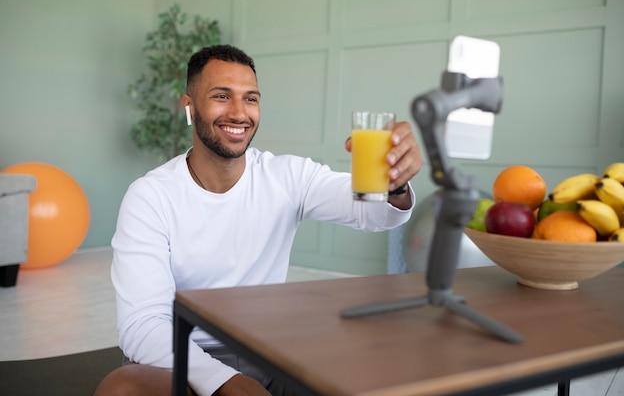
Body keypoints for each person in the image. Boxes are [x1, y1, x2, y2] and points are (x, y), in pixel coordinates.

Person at [94, 44, 422, 396]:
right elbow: (143, 325)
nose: (239, 113)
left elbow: (372, 213)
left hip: (264, 353)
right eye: (222, 96)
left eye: (250, 99)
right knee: (124, 390)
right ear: (189, 106)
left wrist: (396, 184)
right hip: (178, 358)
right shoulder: (150, 196)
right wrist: (227, 383)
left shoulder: (288, 176)